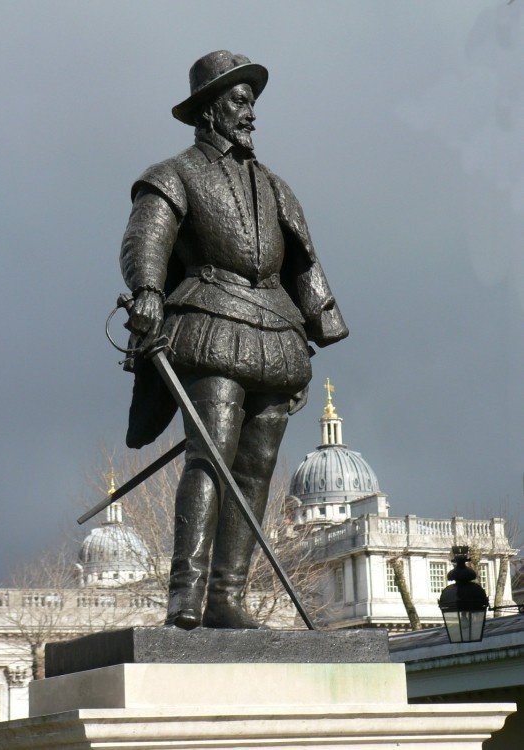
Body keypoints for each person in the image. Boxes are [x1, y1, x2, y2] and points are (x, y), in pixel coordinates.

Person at [119, 50, 348, 629]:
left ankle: (227, 597)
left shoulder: (273, 186)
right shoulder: (173, 174)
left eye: (251, 103)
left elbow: (300, 258)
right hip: (209, 323)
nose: (250, 114)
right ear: (209, 111)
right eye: (239, 102)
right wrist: (148, 289)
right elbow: (145, 237)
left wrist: (314, 327)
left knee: (256, 470)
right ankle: (185, 596)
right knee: (211, 457)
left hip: (274, 329)